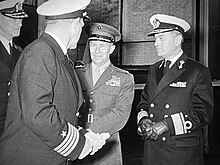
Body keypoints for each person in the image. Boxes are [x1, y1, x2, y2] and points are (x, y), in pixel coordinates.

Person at [0, 0, 110, 165]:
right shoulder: (40, 52)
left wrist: (82, 135)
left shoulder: (57, 55)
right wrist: (80, 145)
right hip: (31, 158)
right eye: (81, 26)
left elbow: (60, 109)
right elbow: (37, 113)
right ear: (75, 24)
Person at [136, 14, 214, 165]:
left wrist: (167, 125)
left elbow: (204, 113)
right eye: (155, 39)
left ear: (177, 40)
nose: (155, 43)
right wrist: (143, 120)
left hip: (181, 151)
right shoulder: (154, 69)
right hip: (153, 148)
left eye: (161, 38)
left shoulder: (197, 71)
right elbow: (144, 102)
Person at [74, 22, 135, 165]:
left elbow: (121, 113)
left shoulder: (124, 78)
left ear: (112, 49)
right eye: (93, 45)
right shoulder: (76, 74)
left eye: (102, 46)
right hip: (78, 139)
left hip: (107, 141)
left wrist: (91, 132)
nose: (97, 51)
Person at [0, 0, 28, 137]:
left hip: (13, 126)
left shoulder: (20, 52)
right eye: (14, 19)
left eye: (21, 19)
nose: (20, 24)